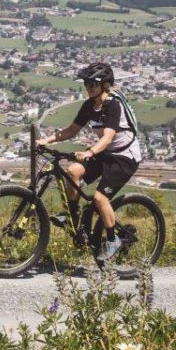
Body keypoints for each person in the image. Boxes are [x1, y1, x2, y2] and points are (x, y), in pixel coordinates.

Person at [42, 62, 144, 263]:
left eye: (93, 84)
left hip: (124, 157)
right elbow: (71, 130)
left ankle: (113, 240)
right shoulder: (90, 105)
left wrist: (89, 152)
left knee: (99, 198)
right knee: (73, 171)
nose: (89, 88)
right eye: (87, 84)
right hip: (105, 152)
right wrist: (46, 140)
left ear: (105, 85)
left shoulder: (113, 105)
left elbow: (107, 138)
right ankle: (72, 217)